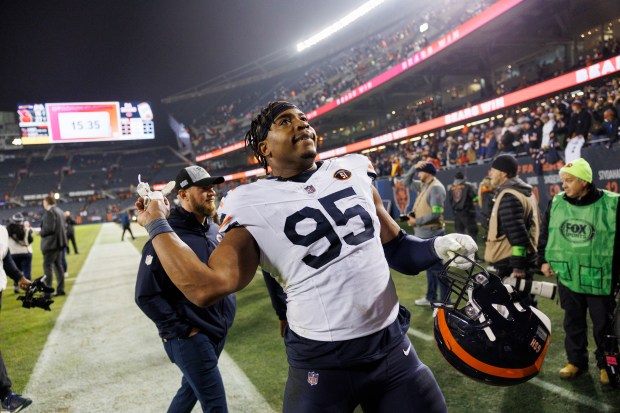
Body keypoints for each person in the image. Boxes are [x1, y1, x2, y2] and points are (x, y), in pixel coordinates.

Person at [136, 101, 477, 413]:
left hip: (392, 351)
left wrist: (436, 247)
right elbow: (207, 287)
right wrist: (156, 223)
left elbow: (399, 249)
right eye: (286, 121)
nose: (302, 125)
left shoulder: (353, 170)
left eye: (304, 119)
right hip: (322, 365)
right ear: (265, 149)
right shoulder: (248, 201)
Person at [135, 166, 236, 412]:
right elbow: (145, 294)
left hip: (216, 330)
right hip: (192, 338)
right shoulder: (166, 235)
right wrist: (183, 329)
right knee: (216, 406)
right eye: (203, 188)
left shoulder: (213, 229)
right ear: (182, 195)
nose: (211, 192)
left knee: (187, 393)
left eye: (212, 187)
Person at [537, 158, 619, 385]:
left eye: (569, 180)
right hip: (568, 276)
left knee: (604, 325)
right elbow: (546, 232)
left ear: (584, 181)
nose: (564, 185)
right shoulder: (556, 203)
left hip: (600, 277)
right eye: (563, 180)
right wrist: (542, 259)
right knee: (572, 322)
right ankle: (576, 362)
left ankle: (606, 365)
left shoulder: (612, 203)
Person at [485, 154, 540, 306]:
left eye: (493, 170)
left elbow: (518, 234)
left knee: (514, 307)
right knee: (523, 304)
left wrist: (518, 266)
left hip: (508, 262)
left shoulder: (509, 195)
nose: (490, 174)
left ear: (503, 173)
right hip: (518, 259)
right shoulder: (523, 191)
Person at [402, 160, 448, 306]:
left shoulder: (435, 188)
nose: (418, 174)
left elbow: (436, 213)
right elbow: (405, 182)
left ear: (427, 173)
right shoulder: (425, 185)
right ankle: (431, 297)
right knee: (431, 269)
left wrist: (417, 221)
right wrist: (413, 167)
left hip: (431, 233)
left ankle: (446, 301)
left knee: (438, 270)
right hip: (425, 234)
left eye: (420, 172)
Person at [1, 224, 33, 412]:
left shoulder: (1, 231)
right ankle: (5, 395)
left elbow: (4, 256)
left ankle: (5, 395)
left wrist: (20, 277)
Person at [447, 171, 480, 259]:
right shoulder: (468, 186)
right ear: (463, 178)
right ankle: (475, 257)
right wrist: (476, 201)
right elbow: (475, 198)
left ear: (455, 178)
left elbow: (451, 201)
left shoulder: (451, 188)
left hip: (457, 214)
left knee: (459, 237)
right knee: (472, 234)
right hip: (467, 213)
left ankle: (462, 257)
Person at [40, 196, 67, 297]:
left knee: (47, 266)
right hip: (59, 243)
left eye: (44, 202)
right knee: (58, 266)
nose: (43, 204)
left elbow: (50, 229)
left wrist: (40, 232)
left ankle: (47, 293)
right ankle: (60, 289)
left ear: (47, 202)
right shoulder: (59, 211)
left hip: (51, 244)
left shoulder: (50, 212)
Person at [6, 213, 33, 294]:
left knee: (16, 271)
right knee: (26, 270)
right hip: (25, 252)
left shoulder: (8, 230)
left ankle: (16, 286)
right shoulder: (26, 229)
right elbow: (30, 240)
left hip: (13, 253)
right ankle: (28, 287)